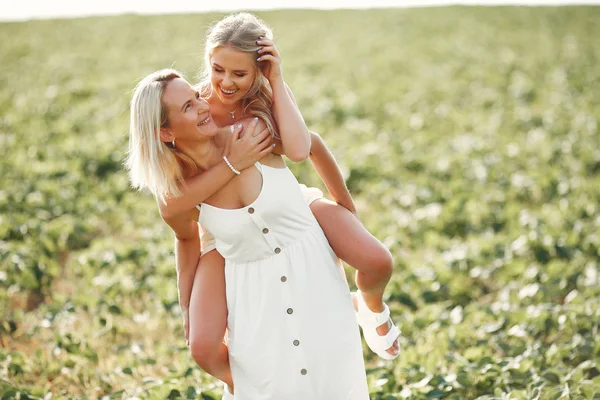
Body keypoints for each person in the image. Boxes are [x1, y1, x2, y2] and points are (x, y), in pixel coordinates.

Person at [128, 69, 370, 399]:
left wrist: (344, 206)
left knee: (373, 263)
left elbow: (307, 142)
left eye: (197, 97)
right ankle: (245, 385)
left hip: (281, 212)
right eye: (187, 107)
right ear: (166, 133)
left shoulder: (239, 129)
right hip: (225, 237)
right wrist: (186, 306)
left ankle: (362, 305)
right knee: (201, 347)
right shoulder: (173, 187)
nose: (202, 106)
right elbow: (186, 238)